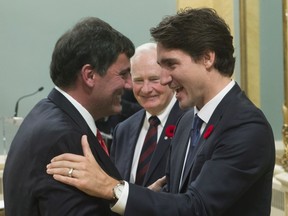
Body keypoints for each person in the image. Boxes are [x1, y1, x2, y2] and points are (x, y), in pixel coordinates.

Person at [46, 8, 275, 216]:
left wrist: (111, 188)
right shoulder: (187, 121)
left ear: (207, 58)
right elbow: (177, 195)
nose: (165, 79)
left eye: (171, 65)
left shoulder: (246, 127)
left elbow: (198, 208)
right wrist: (150, 195)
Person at [3, 17, 135, 216]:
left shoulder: (47, 112)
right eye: (123, 74)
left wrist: (139, 201)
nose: (129, 85)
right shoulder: (64, 137)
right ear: (89, 75)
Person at [110, 42, 187, 187]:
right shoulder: (123, 130)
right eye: (138, 81)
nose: (146, 89)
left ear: (169, 78)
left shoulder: (190, 123)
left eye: (154, 79)